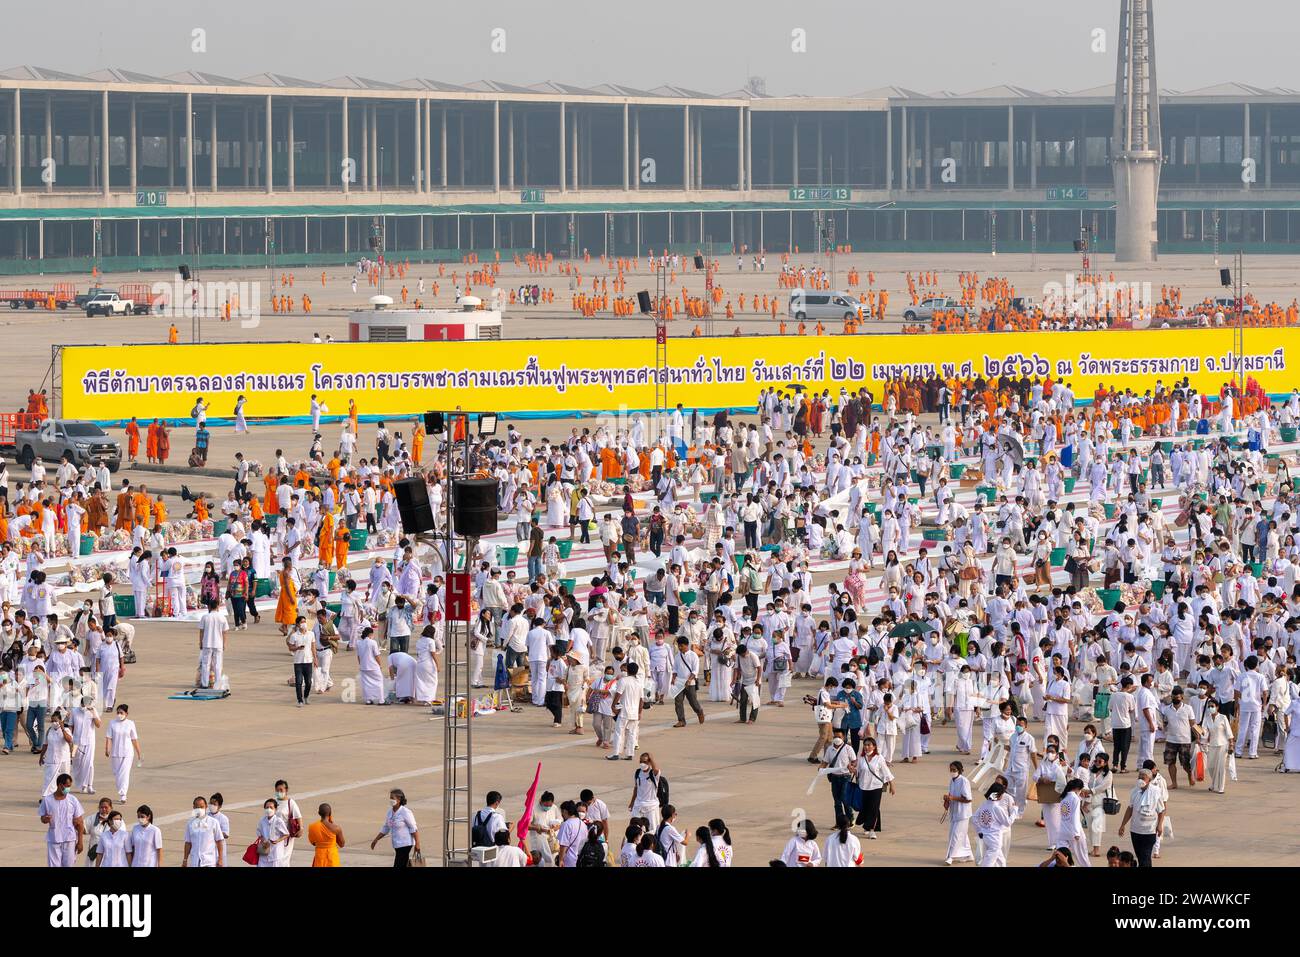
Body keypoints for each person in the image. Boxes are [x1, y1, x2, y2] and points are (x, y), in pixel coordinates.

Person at [1117, 768, 1166, 867]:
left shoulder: (1156, 791)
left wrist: (1160, 825)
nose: (1140, 779)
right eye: (1139, 777)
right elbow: (1130, 808)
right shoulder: (1134, 791)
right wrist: (1123, 825)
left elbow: (1161, 810)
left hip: (1149, 831)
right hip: (1135, 830)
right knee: (1140, 856)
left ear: (1149, 779)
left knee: (1145, 856)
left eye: (1143, 777)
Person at [39, 773, 84, 867]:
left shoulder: (73, 800)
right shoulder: (47, 800)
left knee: (69, 865)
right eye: (67, 786)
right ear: (60, 785)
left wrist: (80, 841)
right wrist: (45, 819)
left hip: (69, 839)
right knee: (53, 865)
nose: (69, 789)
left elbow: (80, 822)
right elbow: (42, 818)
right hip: (54, 839)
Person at [371, 788, 420, 866]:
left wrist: (417, 844)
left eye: (392, 798)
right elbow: (386, 827)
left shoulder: (405, 812)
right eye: (390, 798)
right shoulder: (390, 812)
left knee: (398, 864)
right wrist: (376, 839)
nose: (391, 800)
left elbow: (413, 828)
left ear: (399, 799)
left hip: (405, 844)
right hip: (397, 844)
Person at [103, 703, 140, 803]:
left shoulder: (130, 723)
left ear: (126, 714)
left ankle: (123, 794)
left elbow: (134, 739)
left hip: (127, 752)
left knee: (124, 774)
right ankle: (121, 791)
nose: (119, 714)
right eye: (118, 712)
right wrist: (107, 749)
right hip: (115, 752)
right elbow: (109, 737)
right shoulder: (112, 723)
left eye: (121, 713)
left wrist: (138, 752)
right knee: (117, 774)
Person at [943, 761, 974, 865]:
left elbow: (968, 799)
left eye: (954, 770)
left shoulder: (964, 781)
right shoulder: (952, 781)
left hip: (963, 814)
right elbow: (950, 794)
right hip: (954, 812)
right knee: (962, 834)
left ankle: (950, 857)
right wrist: (947, 800)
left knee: (955, 835)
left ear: (959, 770)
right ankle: (969, 855)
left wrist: (953, 798)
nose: (952, 772)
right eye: (951, 770)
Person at [183, 795, 226, 867]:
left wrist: (220, 859)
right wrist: (185, 859)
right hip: (195, 861)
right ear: (193, 808)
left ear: (206, 807)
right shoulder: (190, 823)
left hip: (208, 861)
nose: (199, 809)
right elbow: (188, 843)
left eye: (201, 807)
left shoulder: (213, 822)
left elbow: (219, 841)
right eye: (197, 807)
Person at [629, 751, 664, 829]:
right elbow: (636, 788)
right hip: (638, 805)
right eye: (641, 761)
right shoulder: (638, 773)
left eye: (644, 762)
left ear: (649, 762)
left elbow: (656, 769)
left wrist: (651, 758)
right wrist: (632, 803)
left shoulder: (653, 774)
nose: (642, 764)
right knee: (634, 828)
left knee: (652, 829)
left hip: (651, 806)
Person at [254, 798, 291, 867]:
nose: (269, 809)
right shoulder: (262, 820)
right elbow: (259, 832)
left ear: (275, 809)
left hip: (275, 852)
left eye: (271, 807)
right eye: (267, 807)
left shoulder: (278, 821)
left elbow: (286, 834)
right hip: (264, 850)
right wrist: (263, 840)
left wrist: (277, 840)